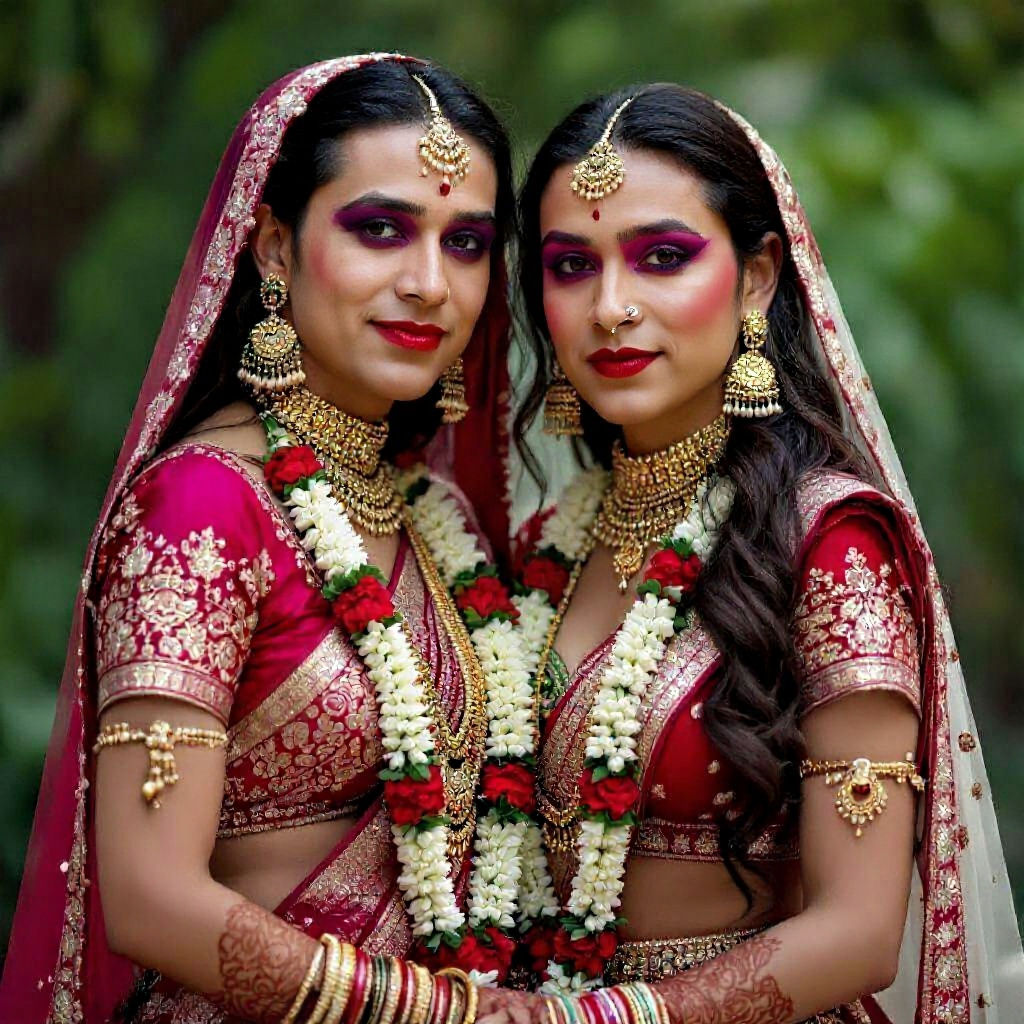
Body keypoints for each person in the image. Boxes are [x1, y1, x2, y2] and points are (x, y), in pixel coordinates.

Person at [0, 53, 521, 1022]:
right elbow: (149, 899)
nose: (428, 283)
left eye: (465, 244)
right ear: (275, 248)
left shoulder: (430, 514)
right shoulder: (201, 505)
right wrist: (432, 1012)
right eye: (381, 230)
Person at [492, 84, 1023, 1023]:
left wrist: (598, 1019)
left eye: (662, 257)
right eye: (571, 265)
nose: (611, 307)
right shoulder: (548, 545)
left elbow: (859, 932)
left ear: (758, 278)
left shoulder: (829, 545)